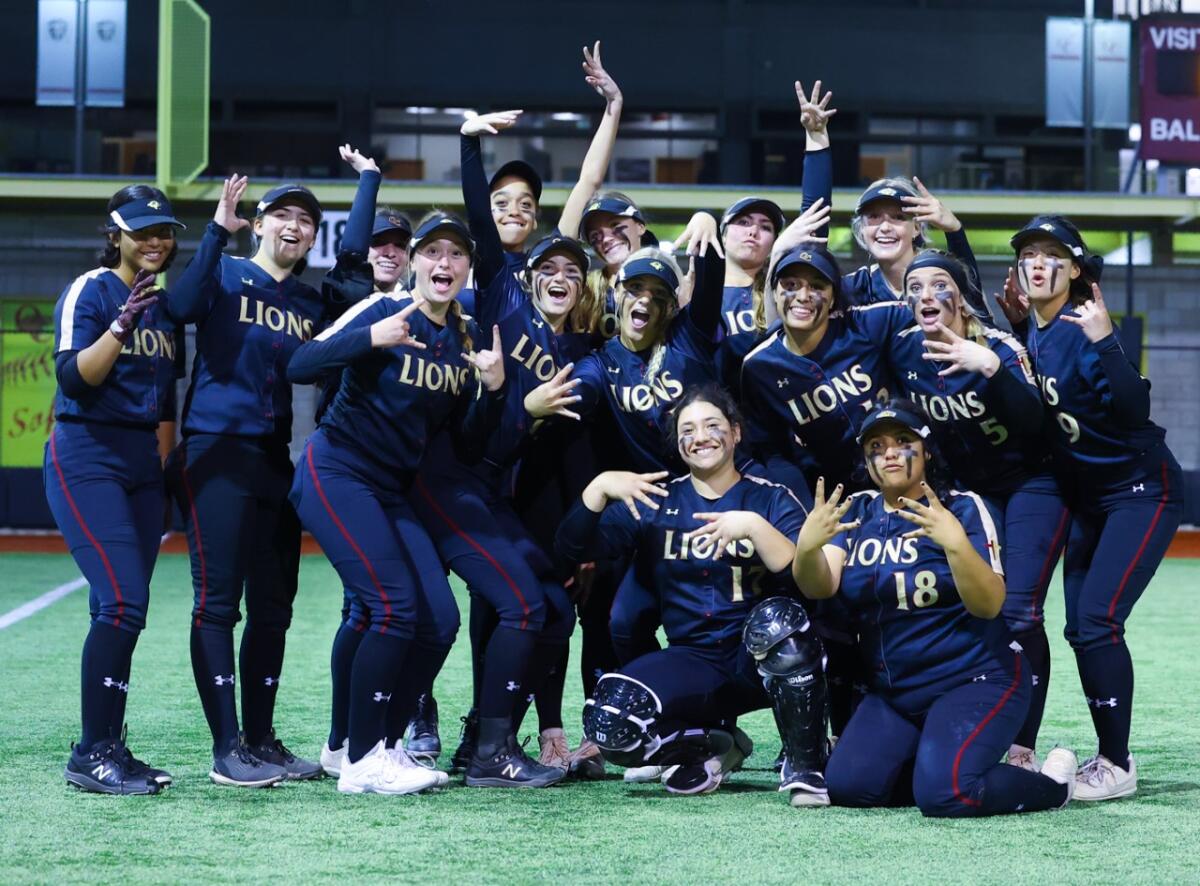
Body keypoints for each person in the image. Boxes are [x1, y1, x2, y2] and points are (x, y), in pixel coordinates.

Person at [288, 213, 539, 793]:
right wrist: (369, 340)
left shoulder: (469, 336)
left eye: (455, 255)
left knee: (440, 620)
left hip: (393, 489)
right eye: (433, 253)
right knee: (392, 606)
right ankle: (362, 760)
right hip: (338, 470)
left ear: (466, 266)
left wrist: (495, 390)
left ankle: (371, 745)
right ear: (414, 261)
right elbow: (299, 366)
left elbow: (470, 442)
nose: (443, 264)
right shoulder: (382, 310)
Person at [792, 399, 1079, 817]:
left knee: (948, 796)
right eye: (876, 445)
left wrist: (956, 544)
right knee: (849, 786)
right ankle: (947, 767)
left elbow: (990, 605)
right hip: (895, 692)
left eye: (903, 441)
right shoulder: (857, 512)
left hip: (976, 678)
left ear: (926, 450)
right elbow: (818, 585)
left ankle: (1052, 785)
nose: (888, 452)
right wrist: (807, 546)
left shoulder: (961, 508)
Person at [557, 384, 829, 804]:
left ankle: (805, 765)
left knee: (779, 621)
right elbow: (572, 549)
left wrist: (755, 527)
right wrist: (598, 489)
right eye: (688, 430)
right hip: (694, 660)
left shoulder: (771, 497)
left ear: (736, 433)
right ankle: (714, 744)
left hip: (758, 658)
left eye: (712, 425)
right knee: (607, 721)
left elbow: (806, 580)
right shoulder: (658, 500)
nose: (700, 437)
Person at [998, 216, 1184, 801]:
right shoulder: (1035, 326)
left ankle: (1116, 761)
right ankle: (1085, 753)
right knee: (1081, 626)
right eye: (1029, 253)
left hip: (1140, 490)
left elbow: (1134, 410)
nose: (1036, 262)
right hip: (1088, 499)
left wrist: (1108, 342)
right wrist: (955, 237)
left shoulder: (1084, 326)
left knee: (1098, 620)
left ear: (1075, 270)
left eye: (1052, 254)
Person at [164, 174, 332, 786]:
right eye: (281, 215)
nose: (294, 226)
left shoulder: (311, 304)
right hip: (214, 452)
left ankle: (260, 740)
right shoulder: (226, 273)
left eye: (306, 220)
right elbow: (178, 308)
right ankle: (227, 748)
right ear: (257, 224)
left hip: (271, 459)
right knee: (216, 605)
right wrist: (214, 230)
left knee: (273, 609)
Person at [407, 234, 592, 786]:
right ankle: (393, 734)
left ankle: (489, 740)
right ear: (526, 278)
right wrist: (468, 147)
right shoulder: (501, 315)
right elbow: (481, 441)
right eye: (548, 268)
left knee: (549, 610)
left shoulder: (579, 351)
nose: (560, 277)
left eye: (573, 271)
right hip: (455, 488)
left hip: (498, 502)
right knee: (435, 615)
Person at [891, 249, 1068, 767]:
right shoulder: (903, 350)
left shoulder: (998, 347)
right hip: (972, 489)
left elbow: (1037, 422)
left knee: (1018, 610)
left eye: (939, 284)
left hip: (1033, 483)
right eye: (915, 286)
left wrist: (987, 366)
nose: (926, 295)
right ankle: (972, 725)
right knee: (974, 608)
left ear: (962, 296)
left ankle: (1021, 745)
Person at [47, 186, 184, 794]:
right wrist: (121, 326)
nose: (155, 241)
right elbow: (76, 380)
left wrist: (166, 464)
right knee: (124, 602)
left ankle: (109, 745)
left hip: (139, 465)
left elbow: (164, 400)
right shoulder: (93, 289)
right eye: (141, 231)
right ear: (115, 234)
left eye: (164, 232)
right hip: (87, 455)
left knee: (118, 609)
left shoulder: (165, 304)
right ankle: (90, 754)